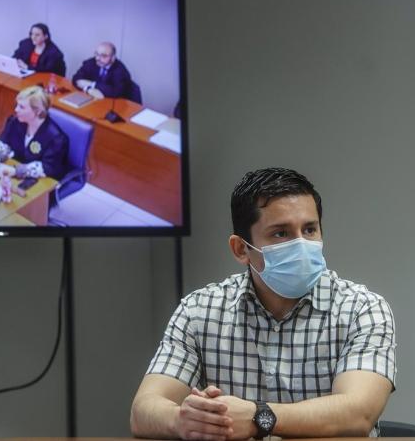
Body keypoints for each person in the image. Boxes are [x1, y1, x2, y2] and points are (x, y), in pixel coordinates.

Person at [130, 168, 396, 440]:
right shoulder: (199, 311)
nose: (301, 244)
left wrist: (258, 416)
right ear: (241, 249)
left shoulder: (362, 309)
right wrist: (184, 420)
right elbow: (143, 410)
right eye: (281, 233)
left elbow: (358, 414)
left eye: (309, 229)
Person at [0, 85, 69, 181]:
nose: (16, 110)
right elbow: (4, 142)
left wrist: (15, 171)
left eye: (22, 107)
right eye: (17, 105)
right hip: (14, 172)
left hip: (42, 181)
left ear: (38, 111)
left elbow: (47, 167)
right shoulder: (16, 122)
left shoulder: (56, 138)